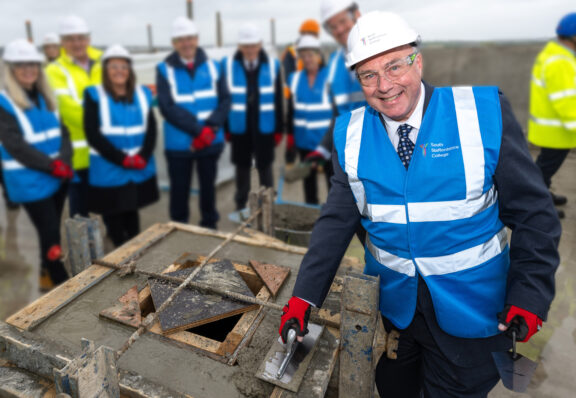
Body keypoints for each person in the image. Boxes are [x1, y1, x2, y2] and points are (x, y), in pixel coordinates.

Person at [279, 11, 561, 397]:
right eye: (369, 74)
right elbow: (335, 222)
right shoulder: (351, 134)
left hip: (476, 318)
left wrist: (529, 295)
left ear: (418, 60)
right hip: (397, 317)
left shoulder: (480, 114)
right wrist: (303, 296)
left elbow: (535, 214)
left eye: (394, 65)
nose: (384, 85)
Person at [0, 39, 73, 290]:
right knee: (51, 231)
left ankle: (45, 269)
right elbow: (14, 145)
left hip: (56, 176)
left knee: (51, 229)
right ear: (10, 68)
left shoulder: (46, 97)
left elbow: (63, 132)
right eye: (21, 65)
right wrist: (52, 166)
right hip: (30, 181)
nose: (28, 69)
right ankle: (59, 281)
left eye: (32, 64)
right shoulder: (4, 103)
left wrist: (64, 160)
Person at [156, 17, 230, 228]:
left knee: (208, 189)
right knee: (179, 192)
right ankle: (179, 229)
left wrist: (210, 127)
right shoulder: (164, 69)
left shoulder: (214, 66)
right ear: (174, 43)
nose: (186, 43)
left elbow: (225, 100)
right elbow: (166, 106)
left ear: (196, 39)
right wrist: (199, 130)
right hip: (179, 145)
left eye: (189, 38)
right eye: (180, 40)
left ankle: (210, 227)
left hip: (210, 141)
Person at [83, 45, 159, 248]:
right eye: (114, 66)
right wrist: (121, 158)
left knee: (132, 212)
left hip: (136, 167)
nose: (119, 70)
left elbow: (151, 128)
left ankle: (134, 252)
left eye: (124, 66)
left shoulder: (143, 94)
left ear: (130, 70)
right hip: (109, 169)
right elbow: (92, 133)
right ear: (106, 70)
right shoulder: (94, 95)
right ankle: (120, 253)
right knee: (114, 216)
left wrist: (143, 154)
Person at [303, 0, 366, 190]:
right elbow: (338, 115)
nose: (339, 29)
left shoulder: (380, 50)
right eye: (333, 27)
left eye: (342, 21)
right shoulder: (334, 65)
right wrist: (322, 149)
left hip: (382, 156)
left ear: (357, 15)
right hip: (349, 160)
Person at [222, 23, 284, 210]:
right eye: (246, 46)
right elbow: (224, 99)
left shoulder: (272, 66)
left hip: (264, 127)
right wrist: (226, 127)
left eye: (253, 45)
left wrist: (279, 129)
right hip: (239, 127)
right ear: (240, 46)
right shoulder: (229, 66)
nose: (250, 50)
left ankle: (268, 206)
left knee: (265, 168)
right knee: (242, 169)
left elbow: (278, 100)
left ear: (260, 45)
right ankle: (241, 206)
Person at [46, 15, 102, 218]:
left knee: (111, 203)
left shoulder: (104, 61)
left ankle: (115, 242)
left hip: (105, 152)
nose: (77, 43)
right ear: (62, 42)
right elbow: (67, 109)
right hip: (78, 155)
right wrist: (105, 121)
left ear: (88, 38)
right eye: (70, 39)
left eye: (81, 37)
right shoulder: (54, 70)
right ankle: (84, 247)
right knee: (80, 209)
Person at [528, 12, 576, 220]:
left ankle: (541, 196)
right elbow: (566, 102)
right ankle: (536, 204)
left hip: (553, 130)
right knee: (544, 169)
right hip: (557, 132)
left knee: (544, 168)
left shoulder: (556, 54)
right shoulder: (560, 61)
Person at [286, 35, 331, 204]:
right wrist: (290, 137)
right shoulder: (294, 79)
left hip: (327, 143)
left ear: (318, 55)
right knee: (309, 184)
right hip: (304, 142)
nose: (307, 59)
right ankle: (311, 219)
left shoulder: (330, 77)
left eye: (310, 55)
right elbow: (291, 110)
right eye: (303, 56)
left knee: (333, 183)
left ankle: (334, 221)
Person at [280, 19, 321, 85]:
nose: (316, 37)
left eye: (316, 35)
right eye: (314, 34)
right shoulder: (291, 53)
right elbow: (286, 78)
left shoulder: (318, 53)